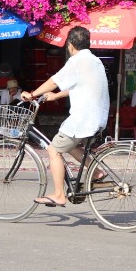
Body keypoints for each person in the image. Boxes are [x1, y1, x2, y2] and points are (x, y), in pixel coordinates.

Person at [20, 26, 110, 207]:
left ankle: (59, 194)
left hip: (84, 117)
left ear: (70, 45)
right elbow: (80, 86)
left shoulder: (76, 61)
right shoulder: (94, 60)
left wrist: (32, 94)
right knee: (69, 145)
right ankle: (97, 172)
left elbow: (54, 81)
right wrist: (55, 96)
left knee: (54, 149)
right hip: (98, 116)